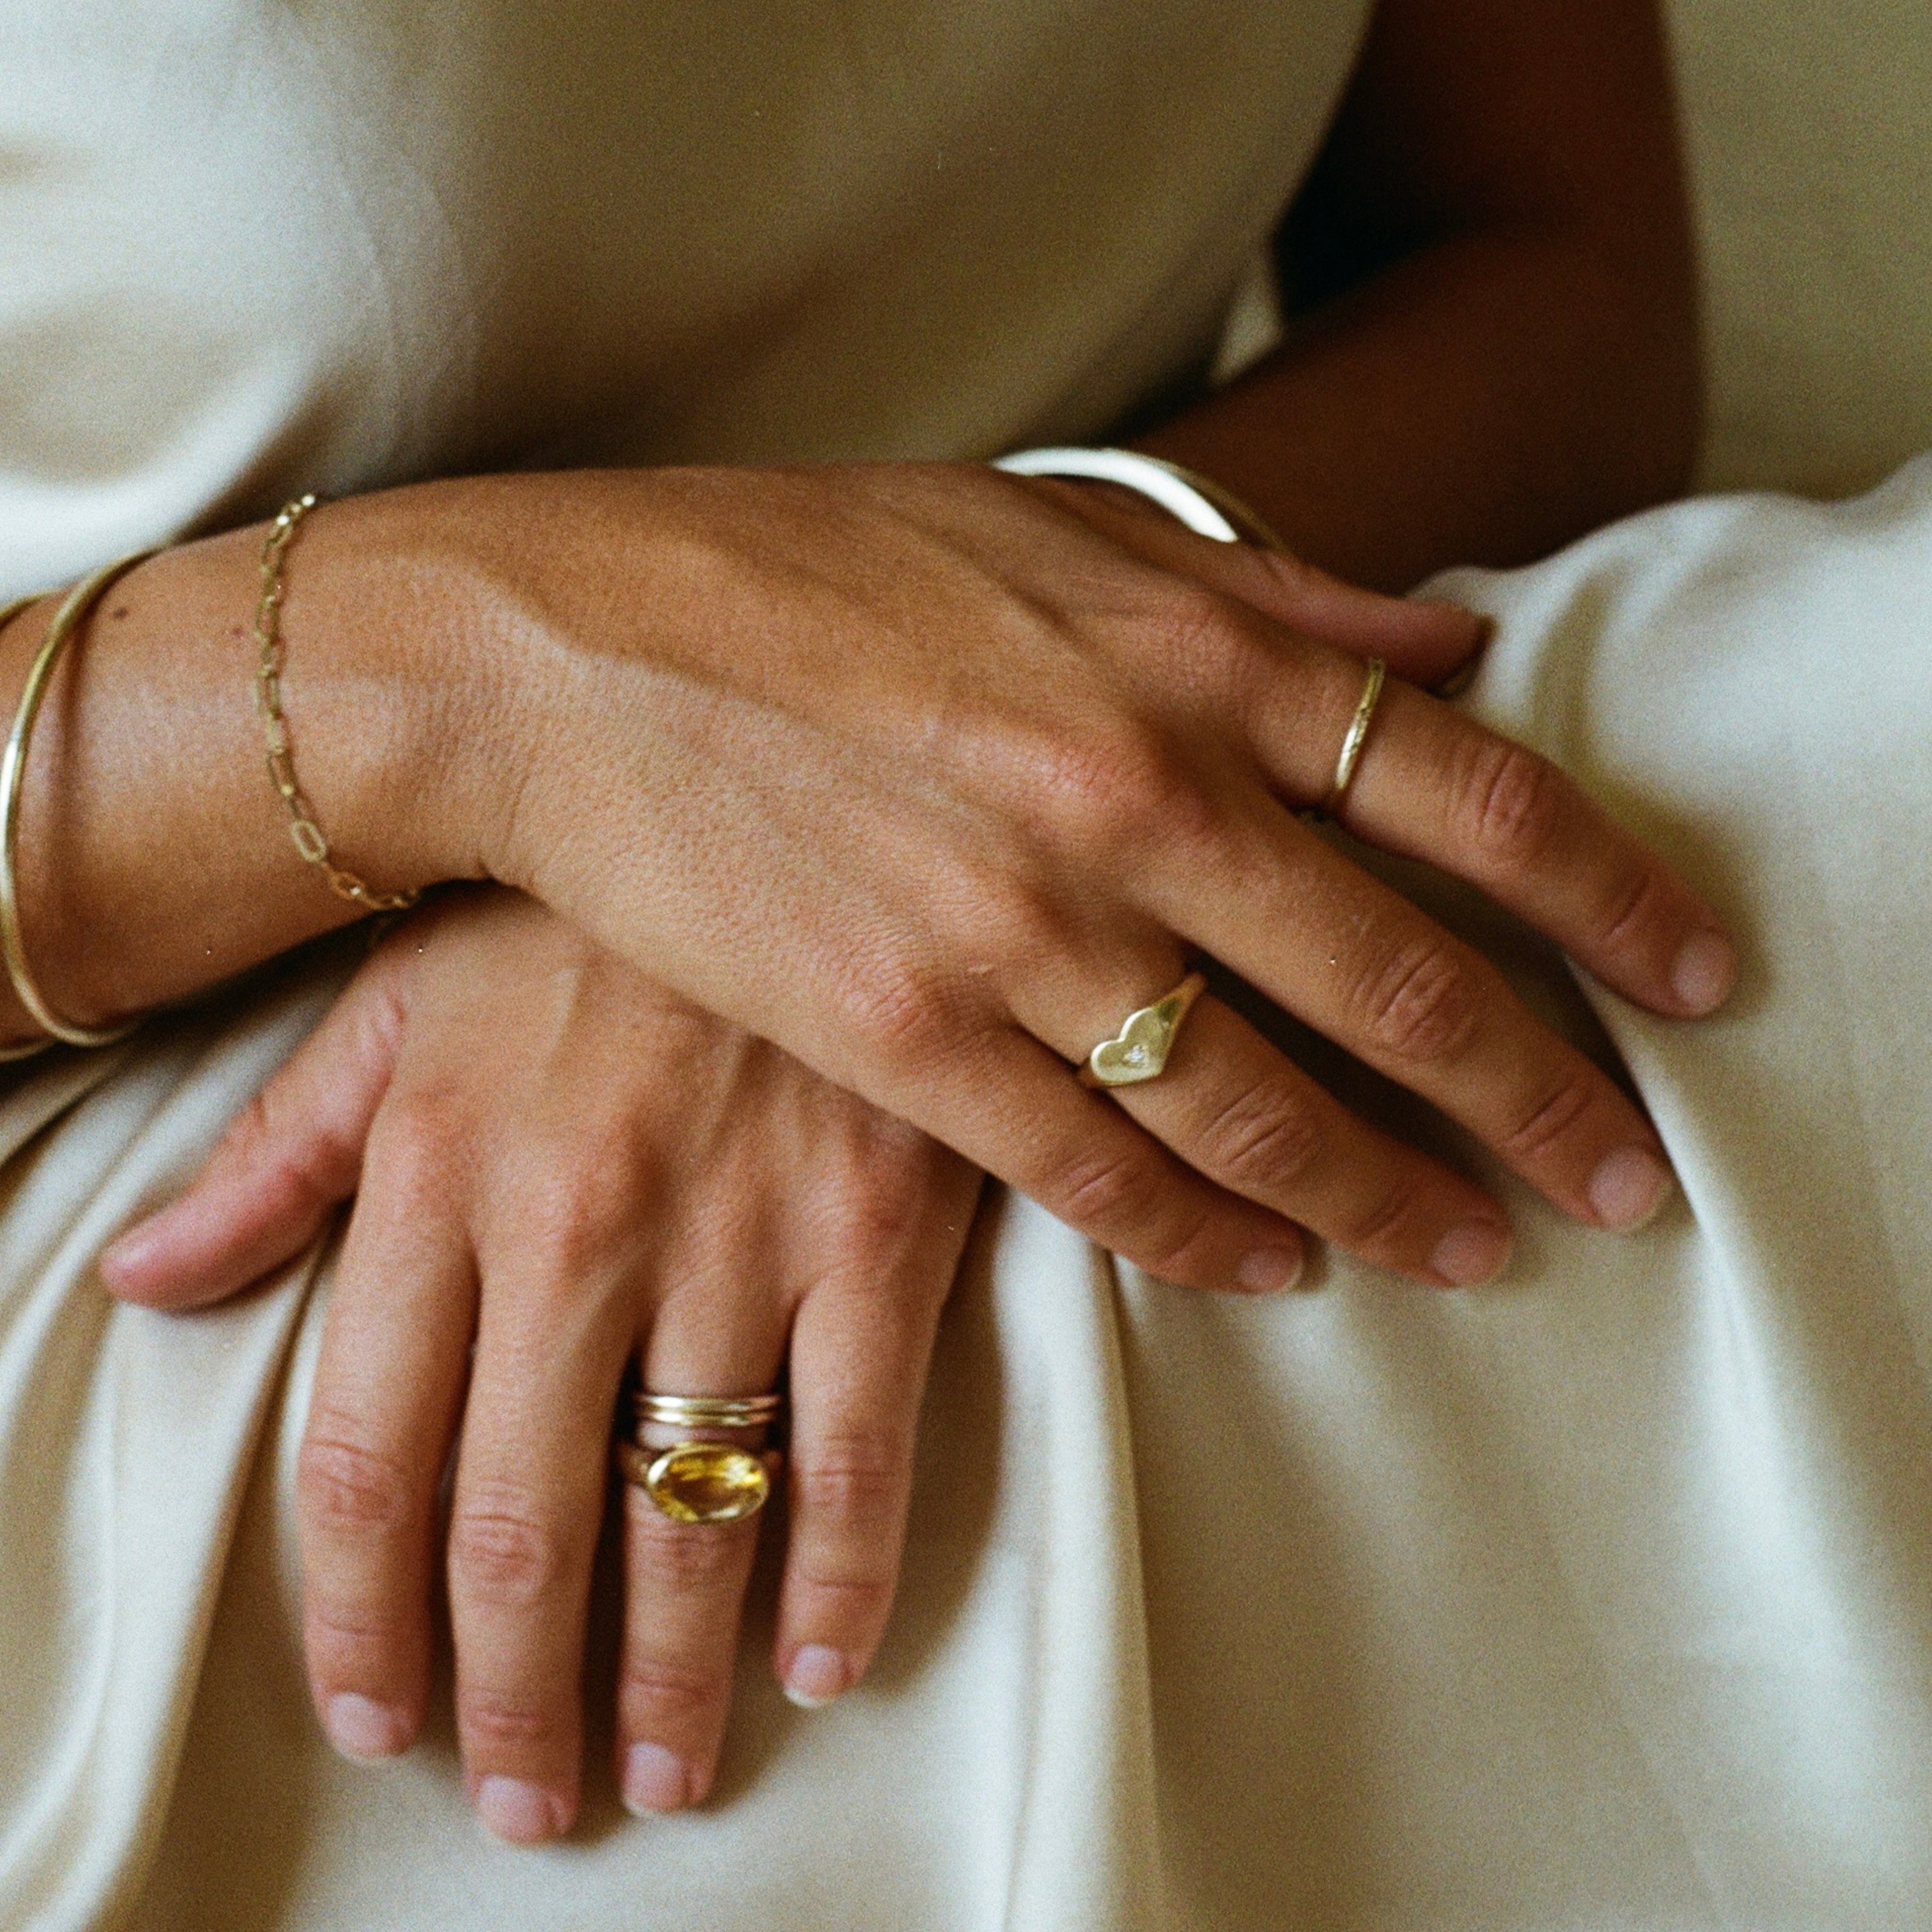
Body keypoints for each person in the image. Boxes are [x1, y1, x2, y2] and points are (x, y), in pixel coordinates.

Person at [5, 1, 1929, 1927]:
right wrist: (488, 689)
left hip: (1134, 817)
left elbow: (1544, 271)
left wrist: (969, 712)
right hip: (258, 1150)